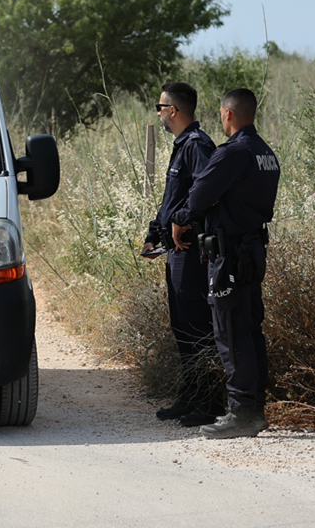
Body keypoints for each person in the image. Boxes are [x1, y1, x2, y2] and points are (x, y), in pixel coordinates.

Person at [170, 88, 280, 439]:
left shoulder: (233, 153)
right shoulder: (266, 153)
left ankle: (242, 412)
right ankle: (255, 408)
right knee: (250, 329)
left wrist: (181, 217)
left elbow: (199, 195)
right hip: (252, 250)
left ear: (228, 114)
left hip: (229, 254)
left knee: (231, 332)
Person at [140, 82, 221, 427]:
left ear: (173, 110)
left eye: (160, 107)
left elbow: (209, 191)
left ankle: (210, 402)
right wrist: (154, 234)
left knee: (196, 328)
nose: (158, 113)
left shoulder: (198, 145)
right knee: (181, 327)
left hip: (192, 251)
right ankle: (190, 396)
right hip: (175, 250)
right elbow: (173, 197)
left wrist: (182, 220)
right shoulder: (182, 145)